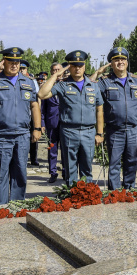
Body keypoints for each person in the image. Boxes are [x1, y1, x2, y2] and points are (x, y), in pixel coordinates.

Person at [0, 47, 41, 205]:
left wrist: (37, 128)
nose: (15, 65)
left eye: (17, 62)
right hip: (1, 136)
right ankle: (0, 209)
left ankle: (17, 206)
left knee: (20, 175)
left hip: (22, 135)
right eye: (11, 62)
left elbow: (34, 106)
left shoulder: (28, 82)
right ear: (4, 62)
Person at [38, 51, 104, 186]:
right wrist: (56, 75)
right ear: (69, 67)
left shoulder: (93, 86)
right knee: (70, 169)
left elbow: (99, 110)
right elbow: (41, 94)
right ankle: (72, 196)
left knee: (87, 168)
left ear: (85, 66)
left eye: (80, 65)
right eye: (74, 65)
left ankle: (86, 196)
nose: (77, 68)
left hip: (88, 132)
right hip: (69, 131)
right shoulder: (62, 85)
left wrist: (99, 133)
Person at [98, 47, 137, 190]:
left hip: (133, 129)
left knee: (132, 161)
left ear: (127, 62)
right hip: (115, 130)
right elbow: (94, 98)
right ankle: (114, 193)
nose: (120, 62)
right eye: (116, 60)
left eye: (123, 59)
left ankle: (129, 189)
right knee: (114, 163)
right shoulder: (104, 82)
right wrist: (97, 72)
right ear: (111, 63)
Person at [40, 65, 61, 183]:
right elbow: (42, 109)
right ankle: (53, 172)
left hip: (64, 123)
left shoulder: (67, 86)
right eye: (54, 70)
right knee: (52, 149)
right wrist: (42, 123)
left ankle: (66, 172)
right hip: (51, 124)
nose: (57, 72)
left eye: (59, 70)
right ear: (51, 72)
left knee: (65, 149)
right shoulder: (46, 87)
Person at [20, 59, 41, 167]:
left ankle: (33, 159)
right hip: (21, 115)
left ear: (26, 69)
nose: (21, 70)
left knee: (33, 139)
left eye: (23, 68)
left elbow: (37, 99)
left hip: (31, 114)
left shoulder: (31, 81)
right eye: (20, 68)